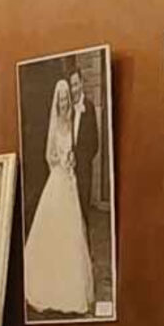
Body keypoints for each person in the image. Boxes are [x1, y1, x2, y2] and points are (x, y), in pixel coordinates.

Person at [24, 78, 94, 315]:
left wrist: (72, 160)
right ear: (56, 100)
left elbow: (79, 146)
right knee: (53, 230)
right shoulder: (54, 124)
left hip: (70, 181)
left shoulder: (72, 119)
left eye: (66, 98)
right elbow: (48, 155)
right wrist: (61, 162)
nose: (64, 102)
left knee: (73, 232)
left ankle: (71, 288)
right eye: (61, 99)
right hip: (57, 179)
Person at [68, 66, 99, 238]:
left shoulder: (90, 108)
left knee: (83, 210)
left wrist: (81, 160)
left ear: (82, 83)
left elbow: (95, 143)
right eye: (72, 85)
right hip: (68, 170)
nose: (74, 89)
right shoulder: (67, 109)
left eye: (76, 84)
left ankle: (86, 249)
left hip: (84, 170)